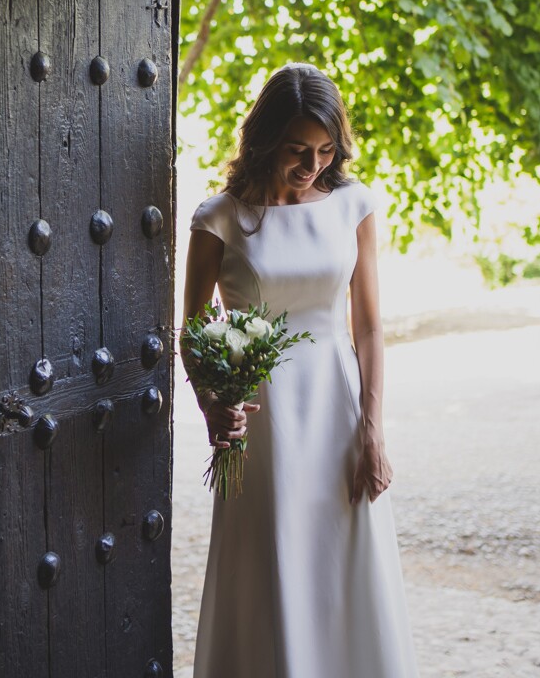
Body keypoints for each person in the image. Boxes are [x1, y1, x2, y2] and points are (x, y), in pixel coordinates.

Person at [183, 62, 418, 678]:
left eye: (324, 150)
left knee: (342, 561)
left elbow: (367, 326)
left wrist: (373, 430)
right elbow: (192, 327)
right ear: (264, 140)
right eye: (297, 149)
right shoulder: (220, 218)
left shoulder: (354, 206)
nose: (312, 164)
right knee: (270, 564)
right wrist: (215, 403)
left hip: (336, 408)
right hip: (261, 418)